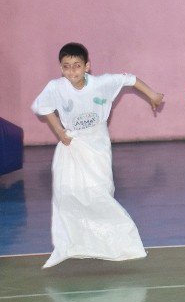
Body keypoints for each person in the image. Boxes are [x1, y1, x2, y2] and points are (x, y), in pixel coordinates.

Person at [31, 42, 164, 268]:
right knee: (69, 192)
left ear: (87, 66)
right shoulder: (56, 87)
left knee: (100, 191)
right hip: (73, 144)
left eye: (77, 66)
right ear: (60, 68)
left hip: (97, 143)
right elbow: (42, 107)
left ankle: (121, 241)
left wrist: (152, 94)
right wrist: (60, 132)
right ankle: (78, 242)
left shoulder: (102, 83)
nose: (72, 71)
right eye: (66, 67)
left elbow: (129, 79)